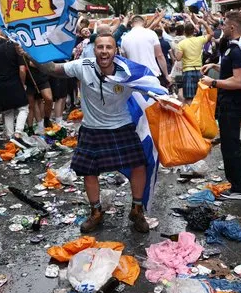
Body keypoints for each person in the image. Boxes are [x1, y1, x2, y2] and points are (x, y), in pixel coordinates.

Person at [22, 33, 152, 233]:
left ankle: (137, 210)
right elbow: (53, 69)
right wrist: (31, 54)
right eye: (100, 47)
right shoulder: (83, 65)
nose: (104, 51)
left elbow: (152, 89)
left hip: (121, 126)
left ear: (115, 50)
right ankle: (96, 212)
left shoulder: (127, 71)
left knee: (139, 165)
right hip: (92, 128)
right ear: (94, 49)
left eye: (109, 47)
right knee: (89, 171)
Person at [200, 11, 241, 200]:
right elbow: (233, 70)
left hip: (233, 103)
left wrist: (211, 83)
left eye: (224, 24)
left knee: (229, 147)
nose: (221, 27)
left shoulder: (237, 50)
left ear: (232, 27)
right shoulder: (233, 48)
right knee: (234, 143)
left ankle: (239, 188)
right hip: (230, 102)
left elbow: (239, 81)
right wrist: (214, 67)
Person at [0, 40, 29, 140]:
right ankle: (18, 132)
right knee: (23, 108)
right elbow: (22, 69)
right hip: (15, 82)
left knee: (8, 112)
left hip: (2, 84)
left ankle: (10, 137)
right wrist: (23, 83)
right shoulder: (17, 48)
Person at [120, 15, 171, 87]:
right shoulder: (151, 34)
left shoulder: (124, 38)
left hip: (135, 77)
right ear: (143, 23)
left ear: (131, 24)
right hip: (152, 74)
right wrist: (166, 75)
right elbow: (159, 55)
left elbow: (125, 60)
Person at [175, 17, 214, 103]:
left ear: (184, 32)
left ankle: (191, 116)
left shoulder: (181, 43)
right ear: (194, 31)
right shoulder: (199, 39)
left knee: (189, 98)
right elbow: (211, 33)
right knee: (200, 96)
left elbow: (178, 58)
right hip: (200, 70)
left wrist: (175, 52)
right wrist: (204, 22)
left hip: (187, 71)